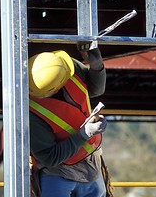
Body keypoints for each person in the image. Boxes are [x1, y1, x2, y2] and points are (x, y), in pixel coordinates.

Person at [28, 40, 109, 197]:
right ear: (55, 88)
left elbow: (95, 89)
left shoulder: (64, 67)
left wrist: (97, 67)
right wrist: (84, 134)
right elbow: (50, 157)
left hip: (92, 167)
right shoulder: (32, 113)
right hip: (58, 174)